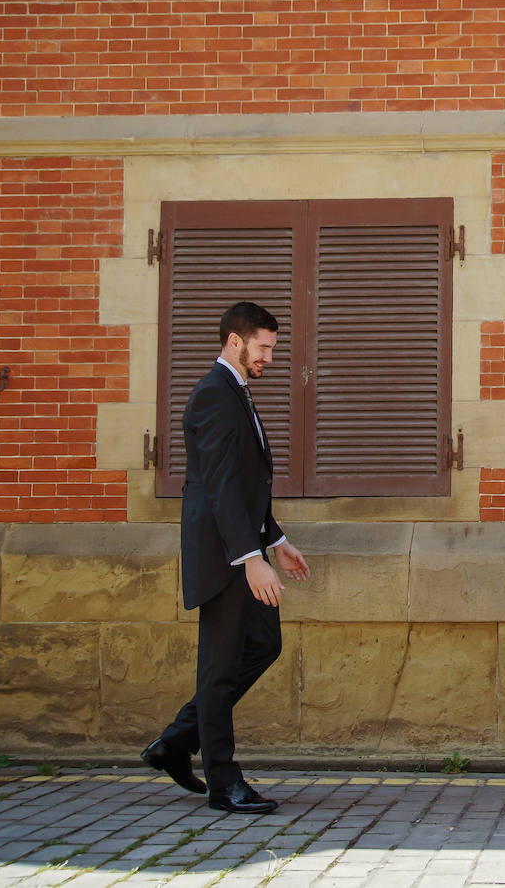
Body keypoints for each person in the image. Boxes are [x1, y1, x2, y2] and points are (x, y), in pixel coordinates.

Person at [142, 301, 311, 814]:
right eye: (263, 347)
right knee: (218, 669)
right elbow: (217, 485)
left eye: (272, 348)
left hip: (243, 546)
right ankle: (222, 781)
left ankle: (176, 741)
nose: (270, 357)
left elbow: (244, 484)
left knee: (263, 642)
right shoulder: (215, 394)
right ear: (235, 342)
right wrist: (249, 556)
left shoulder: (235, 392)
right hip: (224, 556)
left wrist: (276, 542)